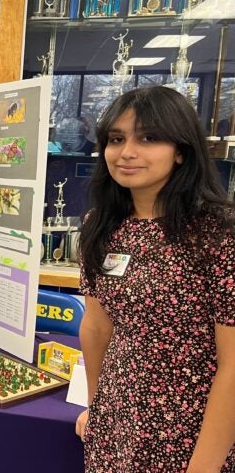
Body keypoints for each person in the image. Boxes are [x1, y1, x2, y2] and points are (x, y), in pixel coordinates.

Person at [75, 86, 235, 472]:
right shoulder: (100, 226)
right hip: (118, 421)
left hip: (191, 429)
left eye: (148, 138)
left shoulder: (219, 233)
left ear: (181, 150)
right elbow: (97, 328)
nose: (127, 152)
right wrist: (97, 408)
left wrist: (205, 466)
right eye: (116, 139)